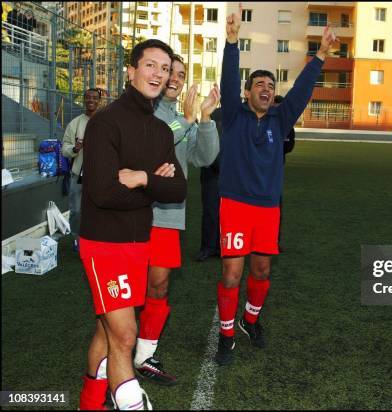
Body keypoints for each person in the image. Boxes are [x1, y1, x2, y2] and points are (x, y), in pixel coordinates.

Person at [214, 4, 338, 365]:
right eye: (259, 85)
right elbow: (228, 79)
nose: (266, 89)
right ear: (247, 91)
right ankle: (225, 335)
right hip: (235, 204)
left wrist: (320, 56)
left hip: (268, 207)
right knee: (232, 271)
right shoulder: (234, 117)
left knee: (262, 269)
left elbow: (300, 91)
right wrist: (232, 42)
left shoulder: (280, 121)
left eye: (270, 86)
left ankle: (250, 320)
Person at [77, 39, 187, 410]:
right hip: (104, 244)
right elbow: (103, 193)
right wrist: (155, 187)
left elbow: (179, 188)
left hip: (140, 244)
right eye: (151, 65)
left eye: (165, 68)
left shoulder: (160, 131)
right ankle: (131, 404)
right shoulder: (105, 122)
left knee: (107, 331)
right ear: (131, 71)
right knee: (125, 337)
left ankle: (89, 403)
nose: (159, 74)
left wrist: (142, 179)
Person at [133, 54, 220, 386]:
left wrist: (207, 119)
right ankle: (119, 345)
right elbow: (155, 142)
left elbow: (205, 156)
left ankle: (144, 354)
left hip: (168, 216)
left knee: (159, 285)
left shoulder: (183, 118)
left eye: (180, 74)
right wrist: (186, 119)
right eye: (169, 70)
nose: (174, 78)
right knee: (130, 288)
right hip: (133, 214)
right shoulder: (143, 110)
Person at [61, 88, 101, 252]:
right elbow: (64, 149)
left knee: (99, 210)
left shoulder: (107, 121)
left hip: (100, 176)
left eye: (94, 97)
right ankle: (78, 239)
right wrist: (76, 148)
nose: (91, 100)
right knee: (77, 211)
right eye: (88, 97)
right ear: (84, 100)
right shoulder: (75, 123)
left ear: (99, 101)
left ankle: (97, 240)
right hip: (78, 175)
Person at [195, 107, 222, 262]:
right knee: (210, 210)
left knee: (226, 212)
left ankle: (221, 246)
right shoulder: (214, 114)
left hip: (229, 172)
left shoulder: (239, 114)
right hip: (211, 172)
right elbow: (206, 141)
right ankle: (208, 247)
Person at [272, 94, 296, 251]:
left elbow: (290, 145)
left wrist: (276, 148)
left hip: (276, 170)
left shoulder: (287, 125)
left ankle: (274, 242)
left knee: (276, 208)